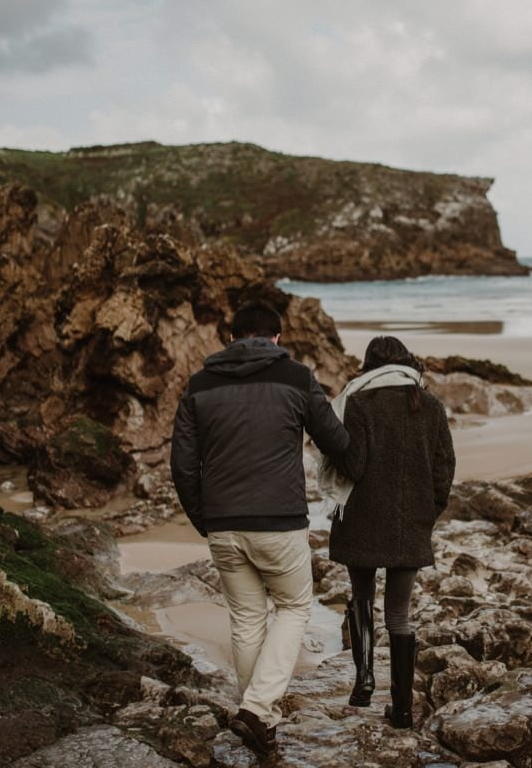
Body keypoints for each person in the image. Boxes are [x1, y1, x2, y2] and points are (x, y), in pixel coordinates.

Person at [170, 300, 349, 756]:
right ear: (278, 338)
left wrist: (205, 520)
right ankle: (255, 709)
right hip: (279, 521)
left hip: (224, 524)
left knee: (248, 619)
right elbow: (335, 440)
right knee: (293, 608)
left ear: (230, 338)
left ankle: (259, 723)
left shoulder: (199, 384)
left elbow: (183, 466)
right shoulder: (295, 376)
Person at [322, 335, 456, 729]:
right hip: (409, 523)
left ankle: (364, 681)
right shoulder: (429, 404)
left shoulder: (357, 402)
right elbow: (444, 467)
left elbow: (355, 466)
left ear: (368, 366)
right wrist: (427, 514)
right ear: (406, 362)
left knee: (361, 597)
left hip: (361, 519)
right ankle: (401, 710)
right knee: (400, 613)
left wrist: (333, 450)